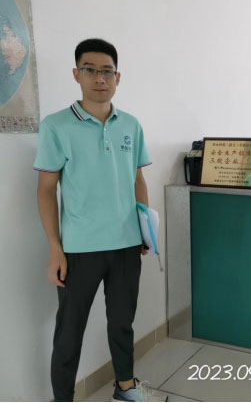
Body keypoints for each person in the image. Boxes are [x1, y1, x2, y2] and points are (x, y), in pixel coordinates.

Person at [34, 38, 166, 402]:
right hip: (79, 248)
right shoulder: (56, 126)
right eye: (90, 70)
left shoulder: (131, 125)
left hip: (126, 245)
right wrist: (55, 248)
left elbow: (137, 180)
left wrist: (144, 231)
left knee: (122, 323)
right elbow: (46, 190)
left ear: (117, 77)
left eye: (107, 71)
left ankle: (125, 387)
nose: (99, 78)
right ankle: (62, 398)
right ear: (76, 74)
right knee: (69, 331)